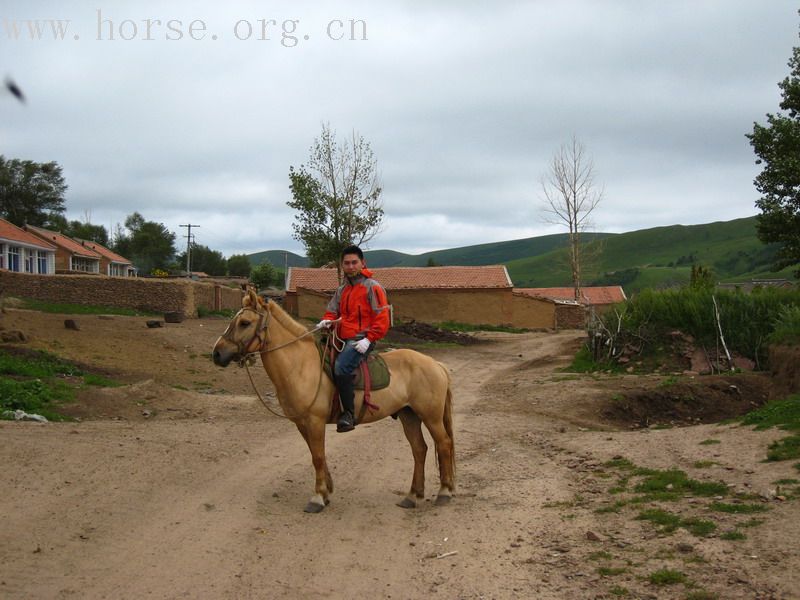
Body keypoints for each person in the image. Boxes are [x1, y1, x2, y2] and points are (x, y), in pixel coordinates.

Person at [318, 245, 390, 432]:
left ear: (362, 263)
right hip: (340, 337)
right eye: (346, 263)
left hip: (361, 339)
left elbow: (382, 317)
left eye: (354, 262)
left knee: (341, 366)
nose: (350, 266)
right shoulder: (342, 290)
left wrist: (368, 339)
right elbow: (332, 311)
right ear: (342, 266)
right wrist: (326, 321)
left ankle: (349, 414)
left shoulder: (373, 287)